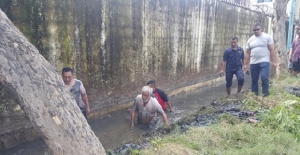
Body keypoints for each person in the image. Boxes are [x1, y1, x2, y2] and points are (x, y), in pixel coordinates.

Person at [243, 23, 276, 97]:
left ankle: (265, 94)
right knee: (254, 80)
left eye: (257, 29)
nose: (256, 31)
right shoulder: (250, 40)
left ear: (261, 29)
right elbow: (247, 53)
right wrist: (245, 64)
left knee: (264, 77)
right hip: (254, 62)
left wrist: (273, 61)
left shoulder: (267, 37)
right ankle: (254, 95)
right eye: (254, 30)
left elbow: (272, 50)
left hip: (264, 61)